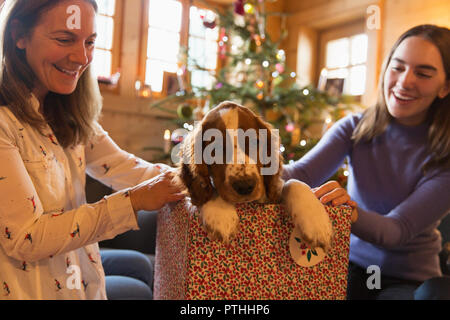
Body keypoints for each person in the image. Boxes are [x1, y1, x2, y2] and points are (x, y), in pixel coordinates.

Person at [0, 0, 185, 299]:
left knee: (139, 270)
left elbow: (124, 166)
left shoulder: (66, 113)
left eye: (90, 42)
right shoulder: (4, 122)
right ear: (18, 35)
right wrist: (133, 201)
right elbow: (26, 238)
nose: (82, 57)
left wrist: (198, 182)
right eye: (64, 39)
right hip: (29, 287)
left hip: (77, 275)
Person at [283, 24, 450, 300]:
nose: (404, 81)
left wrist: (349, 210)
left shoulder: (444, 157)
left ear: (445, 87)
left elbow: (397, 230)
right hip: (348, 265)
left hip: (406, 281)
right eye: (397, 67)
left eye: (422, 73)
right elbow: (298, 173)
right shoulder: (354, 127)